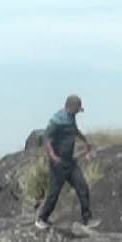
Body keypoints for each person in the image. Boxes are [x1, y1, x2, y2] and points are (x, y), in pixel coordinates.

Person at [35, 94, 92, 229]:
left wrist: (85, 141)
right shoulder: (57, 120)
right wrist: (53, 156)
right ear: (71, 106)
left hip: (69, 161)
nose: (78, 111)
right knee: (54, 193)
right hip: (58, 163)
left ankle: (87, 219)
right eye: (78, 108)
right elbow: (47, 139)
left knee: (82, 187)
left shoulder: (71, 118)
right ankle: (41, 219)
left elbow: (75, 130)